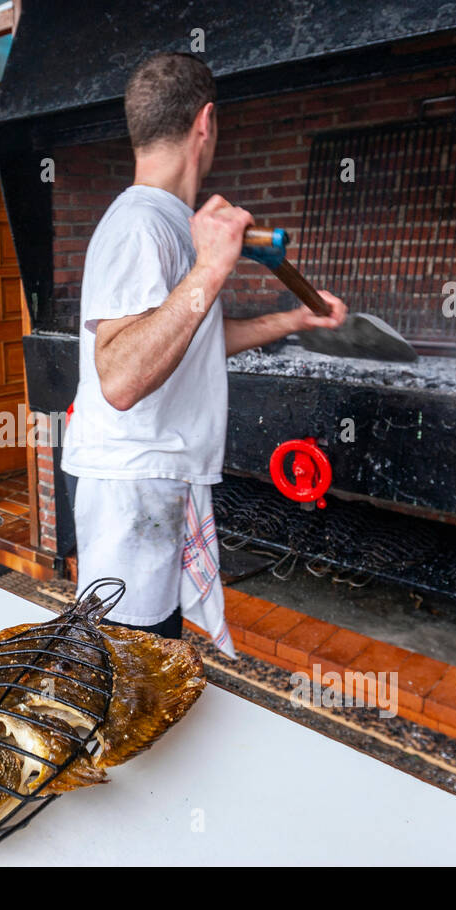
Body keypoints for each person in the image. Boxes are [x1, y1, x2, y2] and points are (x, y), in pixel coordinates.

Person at [60, 52, 348, 656]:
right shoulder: (139, 224)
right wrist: (213, 267)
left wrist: (293, 319)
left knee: (154, 646)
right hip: (133, 485)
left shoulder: (172, 221)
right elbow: (121, 378)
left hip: (159, 477)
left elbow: (188, 342)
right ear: (206, 122)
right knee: (130, 658)